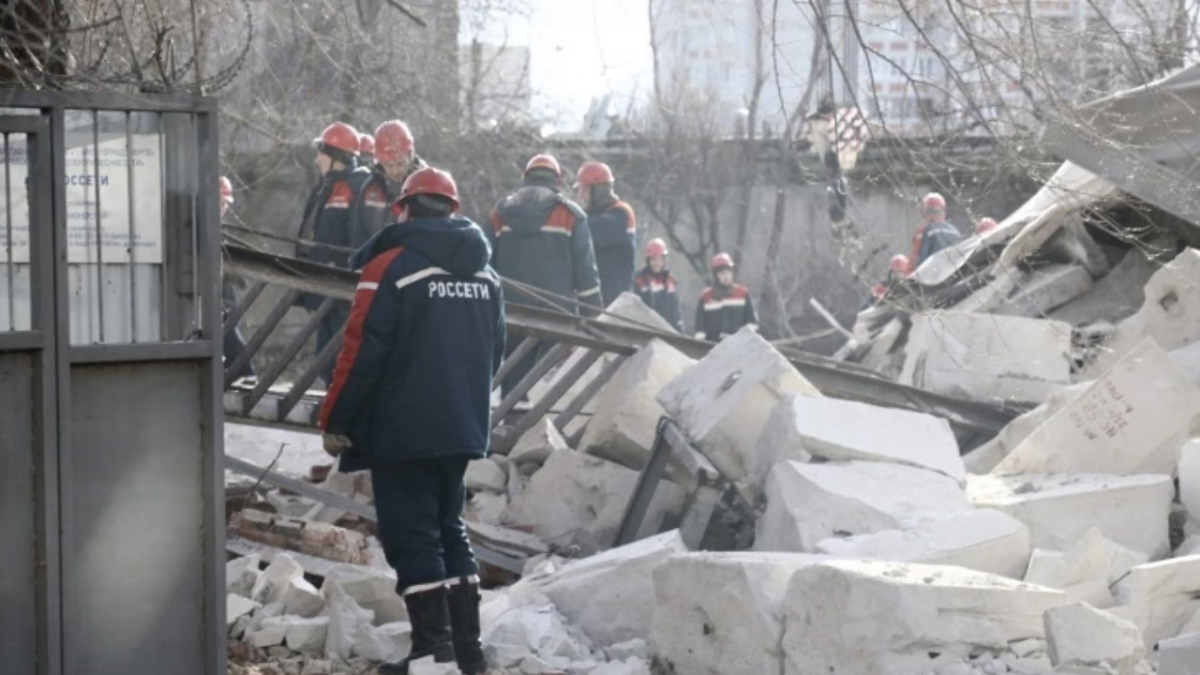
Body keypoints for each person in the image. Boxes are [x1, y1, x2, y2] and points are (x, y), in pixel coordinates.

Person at [319, 167, 505, 675]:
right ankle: (467, 653)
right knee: (449, 529)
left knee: (411, 536)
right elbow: (496, 353)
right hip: (461, 427)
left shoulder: (390, 266)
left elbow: (360, 352)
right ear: (454, 210)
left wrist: (336, 416)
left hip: (402, 430)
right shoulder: (487, 275)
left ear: (403, 208)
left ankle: (431, 654)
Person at [489, 153, 602, 395]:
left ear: (525, 178)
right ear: (557, 181)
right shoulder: (571, 215)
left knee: (514, 387)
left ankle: (511, 424)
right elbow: (586, 276)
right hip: (557, 317)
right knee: (548, 392)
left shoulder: (500, 213)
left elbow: (486, 267)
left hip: (510, 315)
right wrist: (594, 322)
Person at [295, 121, 371, 387]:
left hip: (342, 290)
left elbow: (359, 238)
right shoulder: (325, 188)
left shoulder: (358, 186)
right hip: (323, 286)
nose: (316, 160)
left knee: (342, 358)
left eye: (321, 154)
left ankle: (344, 414)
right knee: (326, 360)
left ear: (336, 156)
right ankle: (333, 412)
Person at [350, 120, 430, 254]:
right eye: (388, 165)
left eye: (399, 164)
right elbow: (358, 238)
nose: (394, 171)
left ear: (410, 155)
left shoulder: (427, 187)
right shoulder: (370, 188)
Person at [575, 161, 636, 306]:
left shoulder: (621, 213)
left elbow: (588, 232)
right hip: (594, 300)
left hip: (614, 302)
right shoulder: (590, 215)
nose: (580, 195)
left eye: (584, 190)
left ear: (598, 191)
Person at [219, 175, 255, 381]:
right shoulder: (202, 223)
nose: (224, 208)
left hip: (222, 288)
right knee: (229, 330)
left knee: (229, 328)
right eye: (221, 203)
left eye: (225, 204)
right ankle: (244, 372)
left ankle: (243, 372)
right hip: (212, 290)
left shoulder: (216, 226)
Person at [695, 252, 757, 342]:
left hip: (738, 346)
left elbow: (752, 322)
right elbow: (699, 327)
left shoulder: (742, 294)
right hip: (713, 346)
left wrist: (744, 338)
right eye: (722, 273)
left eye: (728, 272)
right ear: (716, 275)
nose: (726, 276)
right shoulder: (706, 297)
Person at [633, 237, 683, 332]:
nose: (657, 263)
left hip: (670, 331)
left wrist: (680, 332)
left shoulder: (671, 280)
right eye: (654, 260)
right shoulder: (640, 280)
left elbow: (677, 312)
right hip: (648, 331)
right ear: (648, 260)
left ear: (664, 260)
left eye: (660, 259)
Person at [909, 192, 962, 268]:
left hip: (932, 275)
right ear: (943, 212)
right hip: (954, 272)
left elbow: (916, 263)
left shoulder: (923, 231)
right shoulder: (955, 231)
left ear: (925, 212)